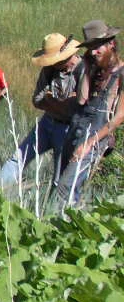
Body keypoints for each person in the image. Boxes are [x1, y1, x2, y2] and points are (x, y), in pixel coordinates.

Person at [0, 33, 83, 192]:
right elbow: (37, 100)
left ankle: (54, 212)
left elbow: (83, 108)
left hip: (67, 130)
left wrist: (52, 102)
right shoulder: (49, 71)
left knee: (60, 176)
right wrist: (59, 104)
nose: (53, 64)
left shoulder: (84, 72)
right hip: (47, 123)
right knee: (17, 159)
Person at [58, 20, 124, 208]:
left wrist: (88, 144)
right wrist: (87, 68)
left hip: (95, 138)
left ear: (111, 44)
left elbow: (119, 117)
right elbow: (81, 100)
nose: (94, 52)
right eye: (91, 49)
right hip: (77, 130)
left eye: (97, 48)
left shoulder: (121, 74)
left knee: (65, 187)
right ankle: (70, 226)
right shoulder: (94, 69)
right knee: (65, 185)